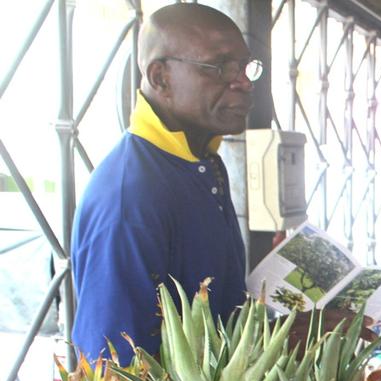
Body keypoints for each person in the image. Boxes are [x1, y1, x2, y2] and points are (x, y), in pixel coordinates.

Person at [71, 4, 259, 360]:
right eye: (221, 67)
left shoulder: (201, 162)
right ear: (161, 78)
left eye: (245, 67)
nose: (244, 82)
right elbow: (115, 366)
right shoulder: (130, 198)